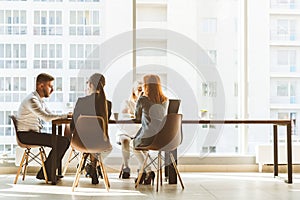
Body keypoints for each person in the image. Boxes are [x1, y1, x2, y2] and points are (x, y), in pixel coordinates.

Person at [16, 73, 70, 182]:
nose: (53, 89)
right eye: (50, 86)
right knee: (62, 142)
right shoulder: (32, 100)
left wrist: (65, 115)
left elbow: (50, 114)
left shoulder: (39, 100)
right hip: (26, 136)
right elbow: (46, 117)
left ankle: (46, 173)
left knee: (63, 141)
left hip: (31, 134)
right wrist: (65, 116)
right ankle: (46, 173)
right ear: (41, 86)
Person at [70, 73, 112, 185]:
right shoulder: (108, 104)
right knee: (96, 143)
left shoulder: (81, 101)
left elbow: (72, 125)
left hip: (80, 142)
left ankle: (87, 164)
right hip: (100, 142)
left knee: (88, 142)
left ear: (91, 85)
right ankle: (93, 166)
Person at [133, 74, 168, 185]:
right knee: (142, 149)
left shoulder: (143, 99)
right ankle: (144, 174)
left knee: (134, 146)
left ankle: (148, 171)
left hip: (148, 137)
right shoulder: (165, 100)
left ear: (146, 85)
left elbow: (137, 117)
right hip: (162, 138)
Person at [117, 81, 143, 179]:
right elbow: (124, 114)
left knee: (143, 141)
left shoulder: (146, 104)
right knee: (125, 140)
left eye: (144, 90)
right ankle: (126, 168)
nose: (142, 92)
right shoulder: (127, 102)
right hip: (125, 131)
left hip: (139, 132)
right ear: (134, 91)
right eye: (139, 89)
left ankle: (142, 169)